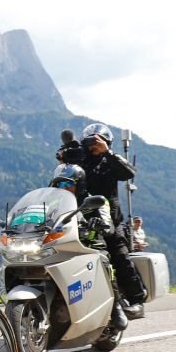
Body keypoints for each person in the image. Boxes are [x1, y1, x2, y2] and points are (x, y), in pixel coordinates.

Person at [57, 123, 146, 313]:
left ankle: (137, 300)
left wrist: (107, 152)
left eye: (98, 141)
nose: (92, 145)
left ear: (107, 143)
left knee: (119, 255)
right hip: (80, 217)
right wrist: (64, 158)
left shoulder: (111, 160)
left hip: (110, 219)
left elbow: (129, 173)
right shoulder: (80, 160)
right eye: (89, 142)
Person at [49, 164, 128, 332]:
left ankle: (116, 307)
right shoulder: (52, 204)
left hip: (90, 246)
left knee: (103, 260)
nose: (63, 188)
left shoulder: (97, 201)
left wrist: (100, 224)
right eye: (59, 185)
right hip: (62, 246)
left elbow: (109, 226)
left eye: (67, 184)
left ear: (80, 185)